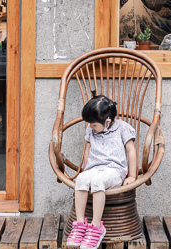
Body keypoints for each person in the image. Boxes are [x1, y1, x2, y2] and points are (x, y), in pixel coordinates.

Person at [65, 94, 138, 249]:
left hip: (114, 170)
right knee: (81, 179)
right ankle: (79, 224)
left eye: (94, 125)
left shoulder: (123, 128)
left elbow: (131, 151)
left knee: (98, 181)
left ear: (108, 121)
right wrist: (86, 171)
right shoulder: (92, 130)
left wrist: (132, 175)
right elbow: (87, 150)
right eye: (89, 124)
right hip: (95, 168)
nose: (91, 127)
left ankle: (97, 226)